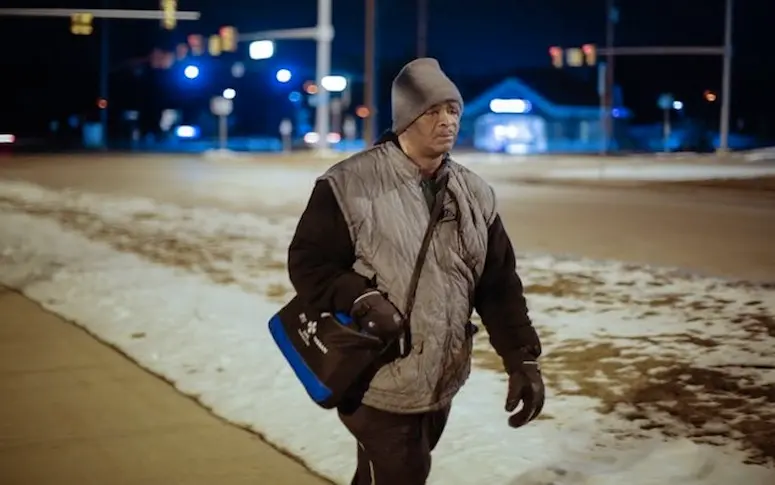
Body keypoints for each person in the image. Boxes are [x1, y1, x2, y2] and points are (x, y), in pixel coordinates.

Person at [287, 58, 544, 485]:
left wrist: (522, 359)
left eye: (454, 110)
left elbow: (498, 285)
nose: (447, 121)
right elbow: (308, 263)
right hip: (375, 379)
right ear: (406, 117)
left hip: (438, 380)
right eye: (433, 111)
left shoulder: (476, 194)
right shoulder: (349, 184)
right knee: (404, 474)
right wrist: (361, 298)